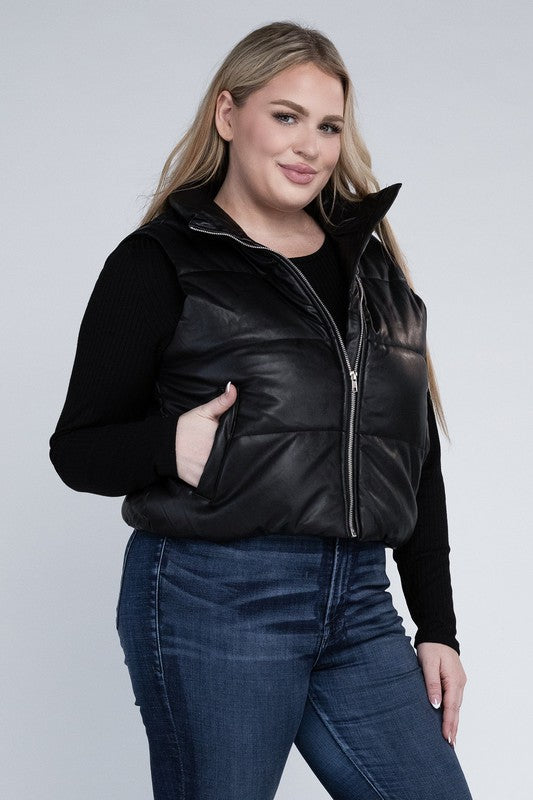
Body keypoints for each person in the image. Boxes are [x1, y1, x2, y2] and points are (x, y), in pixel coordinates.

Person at [49, 20, 474, 800]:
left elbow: (413, 455)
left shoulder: (370, 267)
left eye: (328, 126)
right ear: (227, 113)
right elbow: (77, 449)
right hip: (212, 596)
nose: (309, 145)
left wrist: (436, 625)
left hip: (357, 601)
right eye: (285, 116)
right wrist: (167, 446)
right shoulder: (160, 261)